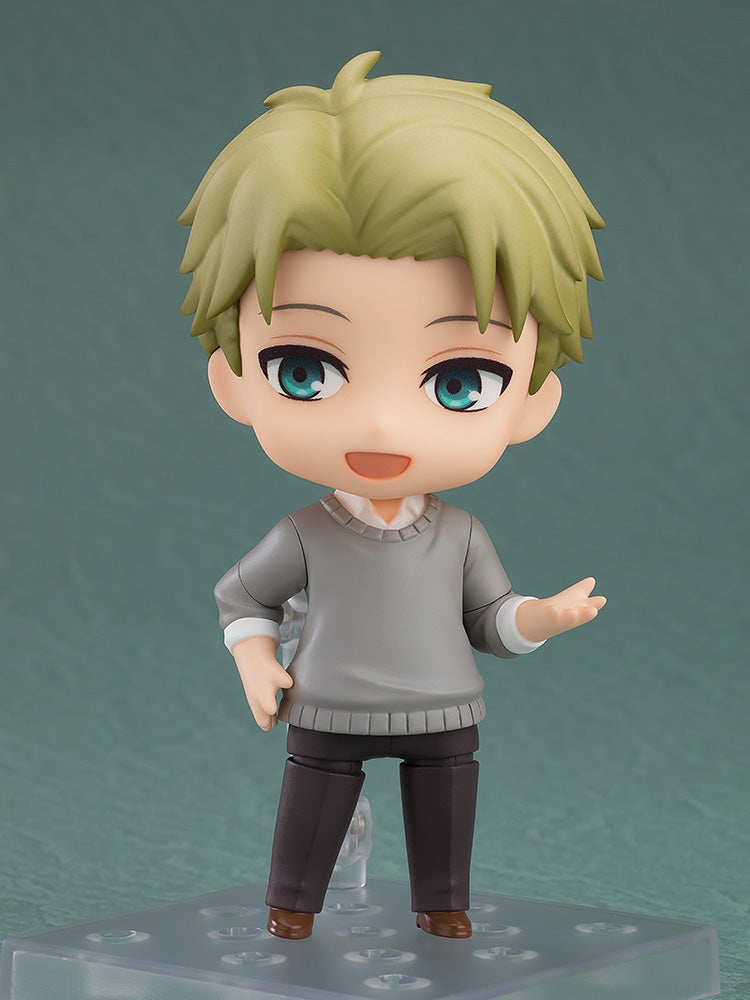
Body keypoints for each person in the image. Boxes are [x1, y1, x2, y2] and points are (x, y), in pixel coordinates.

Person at [178, 51, 606, 940]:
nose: (380, 423)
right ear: (233, 381)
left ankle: (443, 905)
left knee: (446, 806)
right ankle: (291, 909)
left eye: (458, 381)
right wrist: (255, 660)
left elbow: (489, 619)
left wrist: (540, 619)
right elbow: (243, 597)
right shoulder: (306, 531)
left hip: (443, 705)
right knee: (313, 806)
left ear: (533, 402)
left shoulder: (460, 533)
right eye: (304, 369)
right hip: (326, 703)